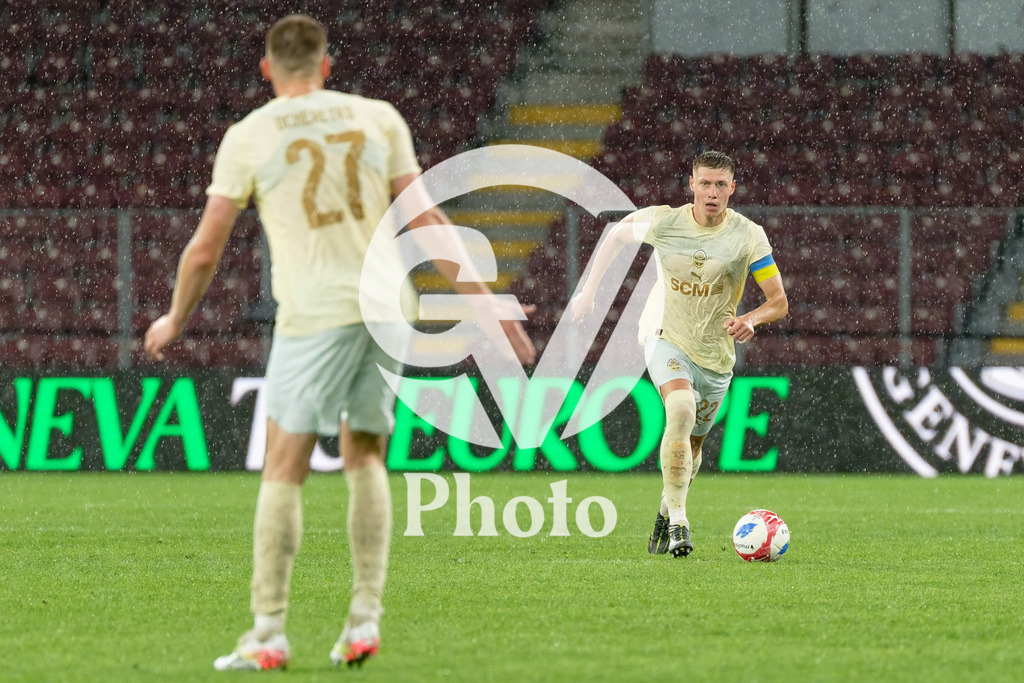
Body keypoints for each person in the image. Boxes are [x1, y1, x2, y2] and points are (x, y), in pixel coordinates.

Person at [144, 14, 535, 671]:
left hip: (318, 312)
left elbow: (206, 248)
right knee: (366, 456)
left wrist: (175, 317)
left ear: (267, 70)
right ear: (327, 66)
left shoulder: (250, 134)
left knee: (283, 466)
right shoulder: (378, 117)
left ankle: (268, 632)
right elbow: (427, 218)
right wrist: (482, 299)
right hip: (388, 306)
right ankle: (363, 619)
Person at [571, 150, 787, 558]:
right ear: (692, 185)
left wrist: (752, 319)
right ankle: (679, 523)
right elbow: (616, 235)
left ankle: (664, 509)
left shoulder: (748, 235)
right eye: (705, 183)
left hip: (715, 354)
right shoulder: (665, 221)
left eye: (720, 185)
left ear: (732, 188)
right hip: (665, 335)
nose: (712, 192)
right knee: (681, 409)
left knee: (693, 446)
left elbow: (778, 300)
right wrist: (589, 291)